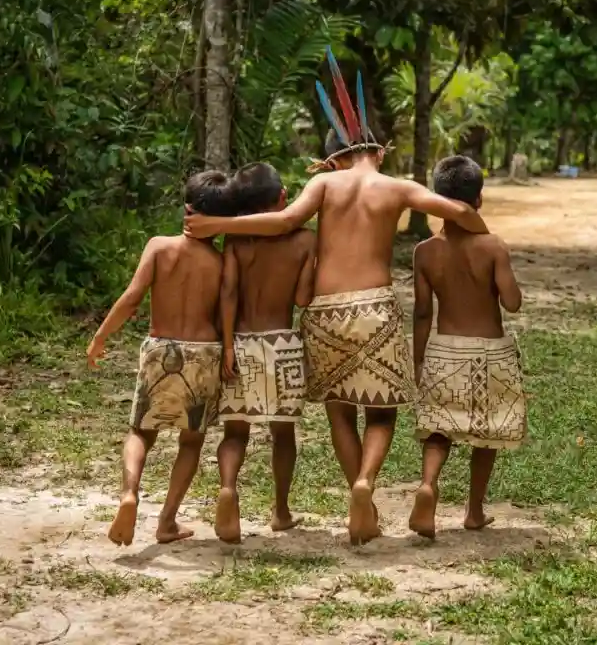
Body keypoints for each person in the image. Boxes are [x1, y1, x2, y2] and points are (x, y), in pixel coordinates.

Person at [183, 49, 489, 545]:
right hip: (375, 308)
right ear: (378, 150)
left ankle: (355, 489)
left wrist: (217, 223)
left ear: (336, 155)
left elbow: (283, 222)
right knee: (382, 413)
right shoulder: (398, 187)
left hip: (325, 314)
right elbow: (462, 214)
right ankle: (367, 482)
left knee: (339, 411)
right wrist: (475, 220)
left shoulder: (323, 182)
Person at [86, 170, 234, 546]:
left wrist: (101, 335)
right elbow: (225, 315)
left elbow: (133, 296)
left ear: (187, 209)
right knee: (191, 441)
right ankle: (167, 520)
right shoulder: (220, 263)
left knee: (141, 431)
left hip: (159, 348)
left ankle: (129, 493)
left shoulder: (159, 246)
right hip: (204, 352)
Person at [407, 155, 526, 540]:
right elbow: (512, 302)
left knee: (439, 429)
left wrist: (420, 357)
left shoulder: (424, 251)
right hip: (490, 351)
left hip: (444, 349)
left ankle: (428, 485)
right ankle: (474, 510)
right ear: (479, 200)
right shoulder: (493, 246)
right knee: (486, 434)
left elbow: (423, 312)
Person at [214, 162, 315, 544]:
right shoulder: (306, 240)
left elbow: (228, 293)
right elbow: (303, 298)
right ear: (284, 199)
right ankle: (281, 510)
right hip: (283, 346)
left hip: (240, 341)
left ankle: (227, 489)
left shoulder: (236, 242)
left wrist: (226, 344)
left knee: (235, 431)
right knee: (283, 434)